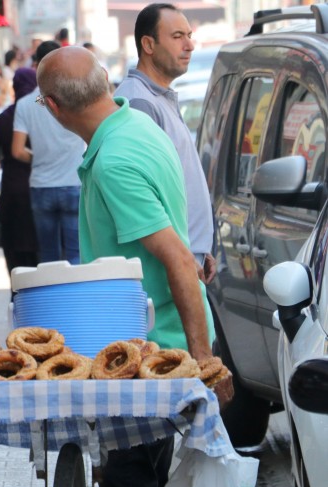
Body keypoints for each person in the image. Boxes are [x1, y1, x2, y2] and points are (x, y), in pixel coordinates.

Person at [36, 45, 233, 487]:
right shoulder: (135, 123)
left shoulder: (115, 161)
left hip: (154, 356)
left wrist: (202, 361)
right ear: (105, 78)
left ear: (52, 107)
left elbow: (178, 258)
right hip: (151, 347)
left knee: (133, 486)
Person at [114, 3, 216, 284]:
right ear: (148, 44)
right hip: (172, 266)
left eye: (189, 34)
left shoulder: (158, 96)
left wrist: (200, 246)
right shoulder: (139, 102)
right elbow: (146, 196)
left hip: (187, 257)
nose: (190, 45)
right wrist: (184, 255)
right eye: (177, 36)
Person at [12, 40, 85, 265]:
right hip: (73, 183)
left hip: (41, 186)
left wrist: (39, 157)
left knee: (49, 256)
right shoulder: (75, 97)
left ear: (35, 65)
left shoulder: (26, 103)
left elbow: (17, 150)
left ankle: (52, 300)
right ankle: (74, 300)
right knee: (75, 254)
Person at [0, 69, 41, 280]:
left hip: (12, 194)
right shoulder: (46, 114)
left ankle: (19, 303)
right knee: (41, 258)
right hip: (41, 190)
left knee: (16, 259)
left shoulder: (2, 119)